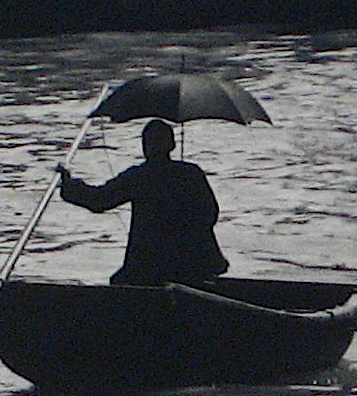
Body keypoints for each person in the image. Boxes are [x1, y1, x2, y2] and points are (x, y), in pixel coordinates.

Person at [58, 119, 229, 286]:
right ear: (172, 145)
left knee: (119, 282)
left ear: (145, 148)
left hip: (148, 267)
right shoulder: (192, 173)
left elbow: (99, 200)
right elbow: (210, 213)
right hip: (195, 265)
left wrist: (69, 185)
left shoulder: (138, 176)